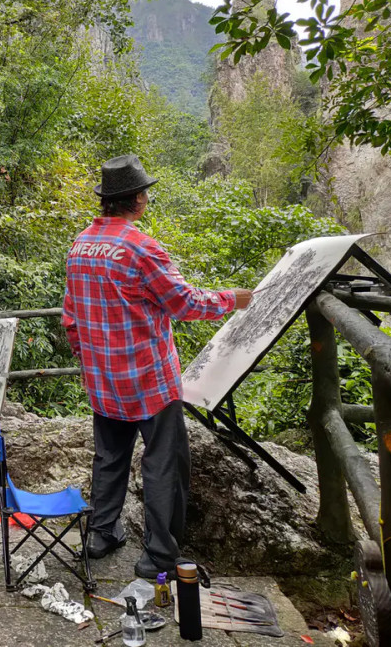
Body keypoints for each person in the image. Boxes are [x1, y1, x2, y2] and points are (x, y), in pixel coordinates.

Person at [62, 154, 252, 580]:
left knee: (109, 458)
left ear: (107, 200)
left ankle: (101, 533)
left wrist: (92, 359)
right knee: (164, 464)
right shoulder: (140, 248)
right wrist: (230, 300)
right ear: (138, 201)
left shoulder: (80, 245)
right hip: (149, 380)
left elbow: (71, 317)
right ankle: (159, 557)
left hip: (104, 381)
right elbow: (184, 303)